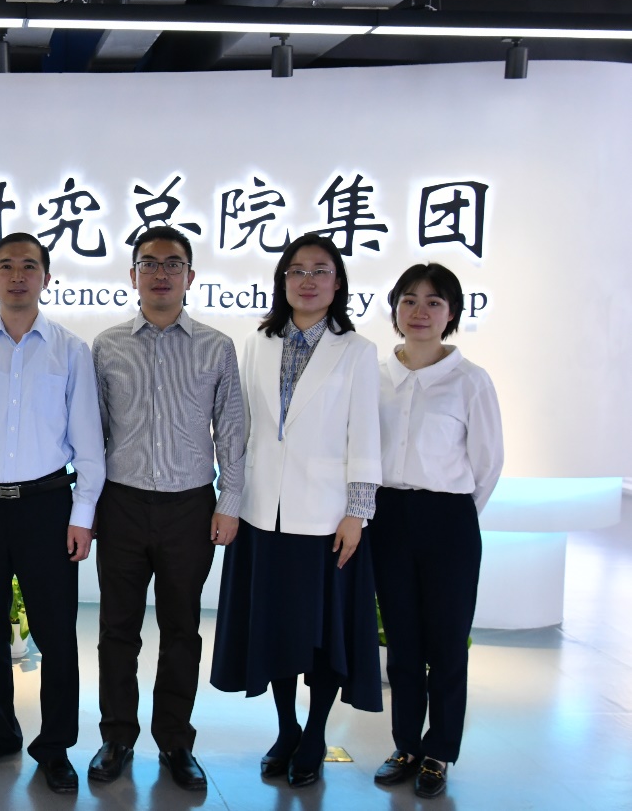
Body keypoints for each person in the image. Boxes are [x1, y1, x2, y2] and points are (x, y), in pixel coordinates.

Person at [209, 233, 384, 788]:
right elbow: (239, 429)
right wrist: (230, 497)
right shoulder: (257, 342)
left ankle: (315, 733)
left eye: (320, 270)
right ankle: (286, 729)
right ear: (282, 281)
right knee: (276, 631)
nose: (307, 280)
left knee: (322, 636)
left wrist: (358, 510)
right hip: (263, 514)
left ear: (338, 282)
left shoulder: (357, 351)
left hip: (327, 518)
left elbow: (365, 435)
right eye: (296, 270)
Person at [0, 233, 104, 795]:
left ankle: (55, 747)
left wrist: (82, 515)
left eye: (29, 266)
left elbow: (89, 444)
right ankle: (0, 731)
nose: (17, 275)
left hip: (47, 507)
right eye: (5, 266)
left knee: (56, 634)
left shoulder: (70, 350)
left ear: (46, 279)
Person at [88, 225, 246, 789]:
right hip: (122, 504)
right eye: (149, 263)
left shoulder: (216, 346)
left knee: (182, 629)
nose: (161, 274)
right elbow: (93, 434)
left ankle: (176, 742)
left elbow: (232, 430)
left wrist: (229, 501)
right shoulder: (107, 345)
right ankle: (116, 737)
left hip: (189, 508)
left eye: (172, 263)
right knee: (117, 628)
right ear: (132, 275)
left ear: (190, 275)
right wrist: (89, 505)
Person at [371, 263, 502, 800]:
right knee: (401, 640)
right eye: (409, 300)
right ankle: (406, 744)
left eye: (433, 302)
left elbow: (488, 463)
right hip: (387, 517)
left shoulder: (470, 380)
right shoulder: (376, 375)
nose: (419, 312)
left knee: (447, 643)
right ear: (395, 309)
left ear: (451, 314)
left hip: (448, 520)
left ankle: (439, 750)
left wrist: (452, 514)